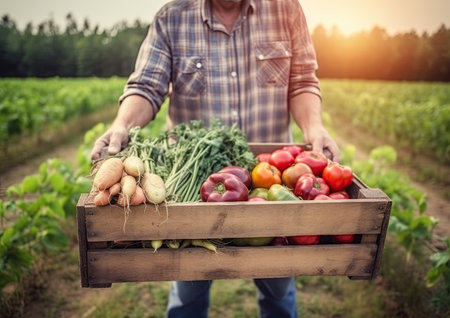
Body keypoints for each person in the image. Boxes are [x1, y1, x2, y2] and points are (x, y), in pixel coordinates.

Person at [91, 0, 340, 317]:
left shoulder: (285, 9)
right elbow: (146, 85)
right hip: (194, 190)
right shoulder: (172, 19)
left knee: (278, 289)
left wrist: (314, 127)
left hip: (270, 178)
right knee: (188, 293)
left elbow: (303, 81)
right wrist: (122, 125)